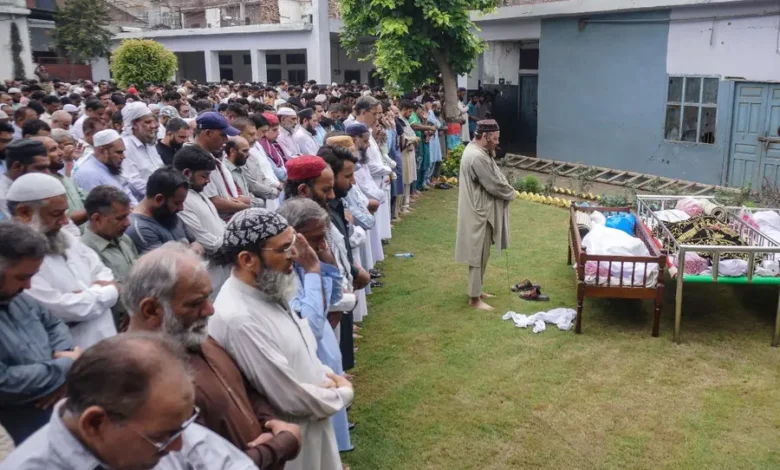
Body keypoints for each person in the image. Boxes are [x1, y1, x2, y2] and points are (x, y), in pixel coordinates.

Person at [125, 243, 303, 469]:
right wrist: (280, 445)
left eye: (208, 297)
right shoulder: (138, 380)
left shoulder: (195, 336)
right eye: (196, 303)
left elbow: (244, 387)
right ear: (151, 310)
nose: (210, 310)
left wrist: (269, 421)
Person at [209, 209, 354, 470]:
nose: (295, 256)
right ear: (247, 259)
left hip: (315, 422)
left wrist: (325, 376)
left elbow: (302, 348)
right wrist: (343, 392)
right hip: (294, 444)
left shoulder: (266, 288)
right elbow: (288, 397)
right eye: (285, 249)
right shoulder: (239, 318)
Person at [0, 333, 258, 470]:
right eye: (164, 437)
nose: (179, 445)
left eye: (184, 425)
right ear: (95, 424)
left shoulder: (156, 423)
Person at [277, 197, 354, 453]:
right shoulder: (283, 273)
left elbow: (333, 299)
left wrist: (325, 261)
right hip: (309, 358)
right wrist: (312, 267)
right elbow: (311, 327)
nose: (322, 243)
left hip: (327, 354)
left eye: (324, 237)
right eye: (316, 238)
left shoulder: (307, 262)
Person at [7, 173, 119, 347]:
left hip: (107, 340)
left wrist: (85, 297)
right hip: (72, 354)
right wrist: (103, 292)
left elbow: (104, 272)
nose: (65, 221)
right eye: (56, 214)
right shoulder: (13, 257)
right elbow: (58, 308)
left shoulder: (65, 237)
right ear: (25, 213)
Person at [0, 221, 79, 445]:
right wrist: (65, 366)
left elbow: (54, 324)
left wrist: (64, 355)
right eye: (22, 277)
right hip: (24, 435)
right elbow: (4, 381)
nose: (28, 286)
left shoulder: (18, 297)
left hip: (61, 420)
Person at [455, 120, 515, 311]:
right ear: (485, 136)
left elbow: (495, 176)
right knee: (477, 254)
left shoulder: (480, 151)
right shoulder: (476, 157)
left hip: (480, 210)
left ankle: (477, 290)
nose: (497, 142)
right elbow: (493, 184)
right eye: (495, 139)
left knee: (482, 253)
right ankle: (474, 299)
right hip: (478, 213)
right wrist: (511, 193)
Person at [80, 185, 138, 330]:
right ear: (97, 219)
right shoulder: (84, 252)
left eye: (127, 215)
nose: (128, 223)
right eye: (120, 218)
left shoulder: (124, 240)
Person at [173, 145, 229, 292]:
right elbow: (204, 240)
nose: (208, 181)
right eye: (204, 176)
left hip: (224, 268)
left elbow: (219, 224)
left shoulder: (198, 193)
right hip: (209, 273)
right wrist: (232, 244)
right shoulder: (182, 201)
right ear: (186, 173)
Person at [126, 167, 204, 255]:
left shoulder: (167, 214)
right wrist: (193, 252)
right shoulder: (140, 228)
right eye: (177, 203)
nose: (181, 208)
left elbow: (196, 244)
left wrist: (193, 251)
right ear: (159, 199)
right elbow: (169, 266)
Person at [73, 129, 139, 206]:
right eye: (119, 152)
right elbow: (101, 208)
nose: (123, 157)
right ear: (102, 151)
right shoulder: (88, 173)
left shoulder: (110, 165)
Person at [121, 102, 163, 199]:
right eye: (148, 122)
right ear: (134, 125)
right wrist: (161, 191)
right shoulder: (125, 146)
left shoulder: (149, 142)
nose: (153, 126)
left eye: (153, 121)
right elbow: (133, 182)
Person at [0, 139, 51, 218]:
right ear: (17, 167)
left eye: (47, 167)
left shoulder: (35, 187)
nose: (47, 173)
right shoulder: (3, 197)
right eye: (40, 168)